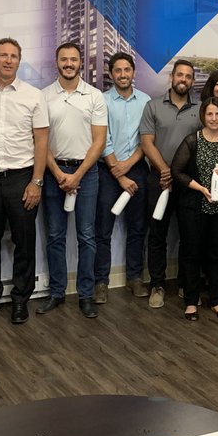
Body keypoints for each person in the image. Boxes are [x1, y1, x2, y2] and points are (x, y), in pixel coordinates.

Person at [0, 37, 49, 325]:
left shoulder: (33, 95)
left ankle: (20, 300)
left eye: (13, 56)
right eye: (3, 55)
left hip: (22, 178)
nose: (8, 60)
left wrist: (37, 181)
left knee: (23, 243)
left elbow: (42, 142)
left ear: (19, 61)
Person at [40, 42, 107, 318]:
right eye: (64, 59)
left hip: (86, 173)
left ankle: (86, 294)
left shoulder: (94, 96)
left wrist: (77, 175)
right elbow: (41, 141)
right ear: (56, 62)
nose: (69, 64)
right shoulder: (43, 96)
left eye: (73, 59)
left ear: (81, 63)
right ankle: (57, 293)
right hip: (53, 172)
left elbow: (99, 141)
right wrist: (59, 174)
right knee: (55, 236)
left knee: (87, 236)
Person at [171, 98, 218, 321]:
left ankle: (216, 300)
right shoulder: (192, 141)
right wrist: (200, 188)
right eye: (210, 114)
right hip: (193, 207)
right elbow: (177, 171)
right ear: (203, 116)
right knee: (192, 254)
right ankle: (191, 301)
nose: (214, 118)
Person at [139, 59, 200, 309]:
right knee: (157, 235)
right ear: (172, 77)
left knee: (189, 236)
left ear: (192, 81)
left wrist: (179, 175)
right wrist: (165, 170)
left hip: (189, 182)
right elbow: (146, 142)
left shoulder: (201, 109)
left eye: (188, 76)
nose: (183, 79)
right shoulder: (152, 106)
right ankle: (157, 285)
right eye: (179, 75)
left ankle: (187, 284)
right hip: (159, 180)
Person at [96, 52, 151, 298]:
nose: (122, 74)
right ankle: (101, 282)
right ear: (111, 74)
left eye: (127, 69)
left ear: (133, 72)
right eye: (117, 70)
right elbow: (102, 139)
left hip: (137, 169)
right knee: (103, 230)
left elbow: (147, 139)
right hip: (108, 171)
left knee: (137, 228)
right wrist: (118, 173)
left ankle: (135, 278)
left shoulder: (146, 101)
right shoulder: (102, 100)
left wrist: (128, 165)